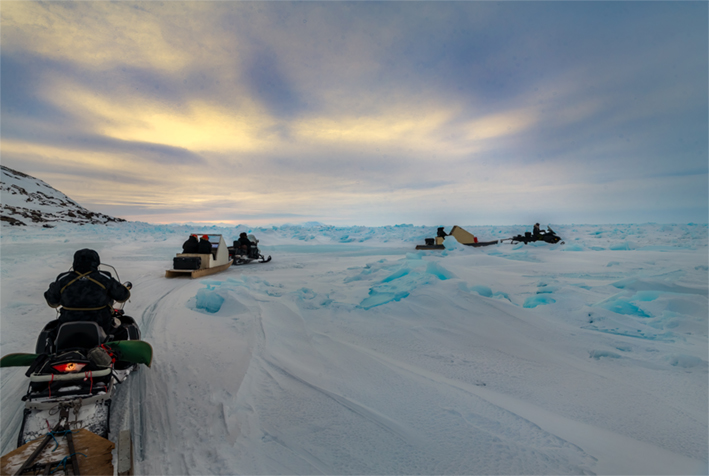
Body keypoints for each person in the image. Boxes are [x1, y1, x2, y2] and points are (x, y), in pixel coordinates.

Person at [44, 249, 131, 334]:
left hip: (66, 325)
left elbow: (52, 301)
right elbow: (122, 296)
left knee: (50, 335)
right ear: (96, 262)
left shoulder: (63, 279)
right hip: (102, 325)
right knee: (122, 332)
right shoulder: (104, 278)